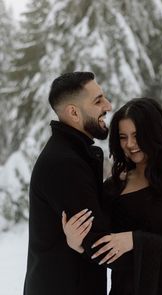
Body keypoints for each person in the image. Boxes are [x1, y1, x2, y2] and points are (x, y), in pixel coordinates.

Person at [63, 98, 162, 295]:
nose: (130, 144)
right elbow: (105, 247)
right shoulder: (113, 187)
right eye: (123, 137)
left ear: (155, 134)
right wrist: (78, 244)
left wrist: (136, 240)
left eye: (137, 135)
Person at [23, 71, 130, 295]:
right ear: (74, 113)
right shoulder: (64, 164)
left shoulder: (73, 155)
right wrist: (156, 249)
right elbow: (99, 245)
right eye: (98, 100)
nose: (109, 106)